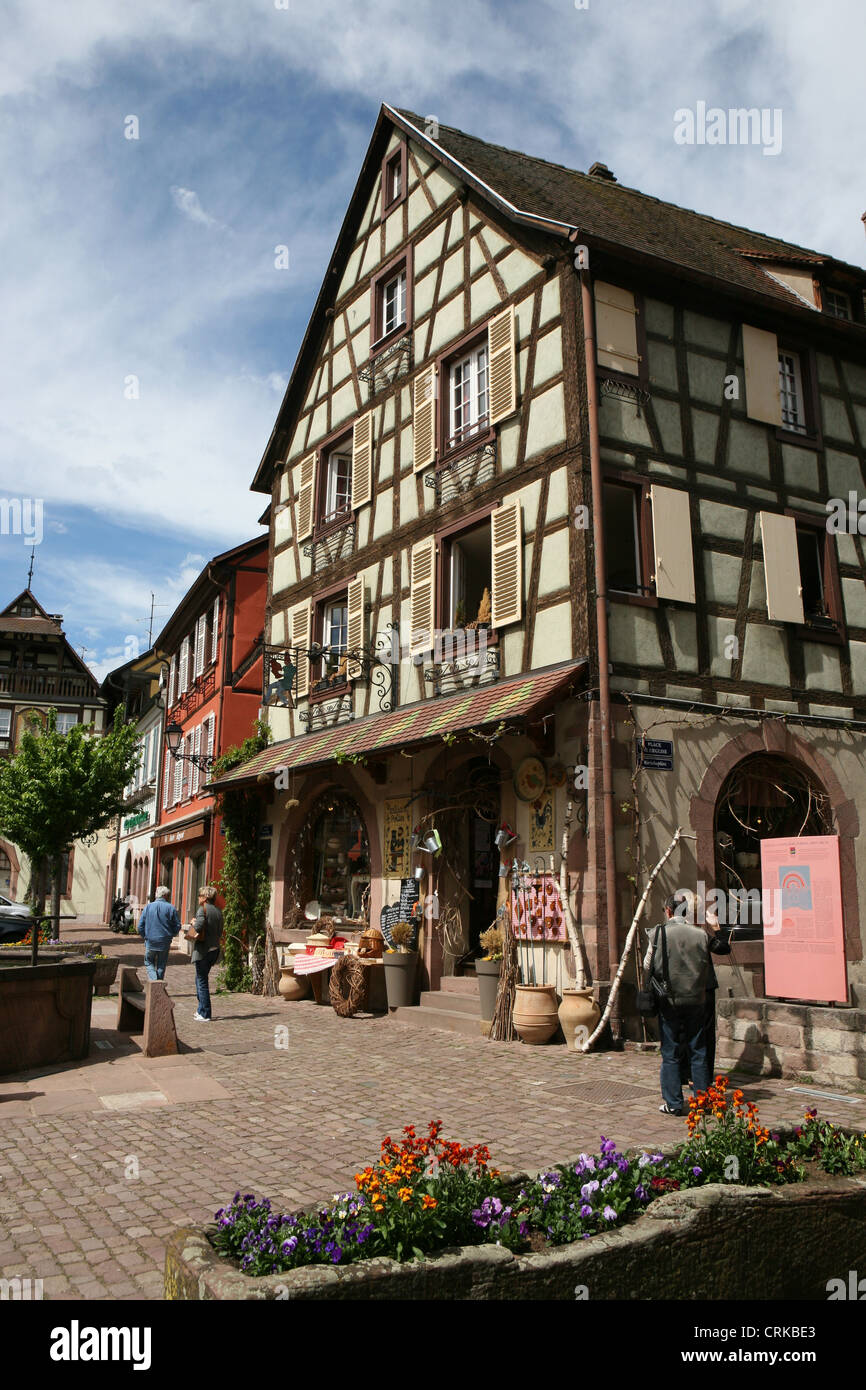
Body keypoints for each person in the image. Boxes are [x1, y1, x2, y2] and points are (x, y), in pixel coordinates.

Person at [645, 892, 712, 1116]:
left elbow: (647, 965)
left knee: (671, 1051)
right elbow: (704, 964)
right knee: (698, 1050)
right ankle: (703, 1101)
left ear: (668, 911)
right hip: (696, 998)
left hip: (669, 998)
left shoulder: (658, 933)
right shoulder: (701, 935)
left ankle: (673, 1102)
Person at [186, 885, 223, 1022]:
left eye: (200, 895)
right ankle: (200, 1009)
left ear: (206, 898)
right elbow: (219, 930)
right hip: (214, 949)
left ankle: (205, 1013)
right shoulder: (218, 911)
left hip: (204, 950)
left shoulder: (203, 909)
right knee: (200, 978)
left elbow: (199, 926)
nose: (199, 898)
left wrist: (193, 923)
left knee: (202, 981)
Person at [137, 885, 181, 980]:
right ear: (165, 895)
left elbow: (140, 926)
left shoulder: (148, 907)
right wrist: (171, 935)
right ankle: (158, 985)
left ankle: (154, 982)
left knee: (149, 962)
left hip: (151, 940)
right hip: (165, 941)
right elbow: (177, 926)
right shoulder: (171, 908)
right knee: (161, 964)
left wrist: (145, 936)